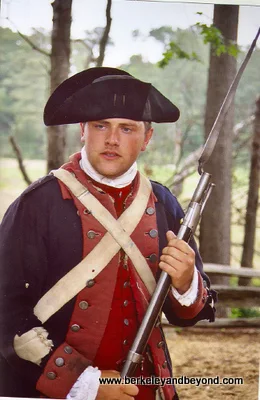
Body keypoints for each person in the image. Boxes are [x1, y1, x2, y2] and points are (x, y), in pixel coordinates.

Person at [0, 67, 216, 400]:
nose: (112, 139)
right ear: (83, 131)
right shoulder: (37, 204)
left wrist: (186, 281)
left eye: (127, 128)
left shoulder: (164, 202)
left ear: (146, 139)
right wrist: (83, 384)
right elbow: (7, 312)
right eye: (101, 125)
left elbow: (187, 315)